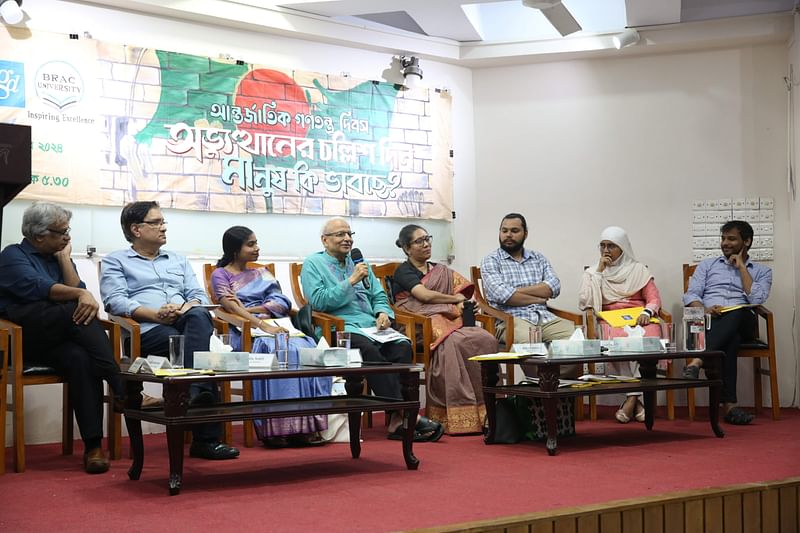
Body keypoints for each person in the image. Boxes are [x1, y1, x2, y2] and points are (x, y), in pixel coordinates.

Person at [100, 201, 239, 460]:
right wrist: (156, 314)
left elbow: (197, 294)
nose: (164, 228)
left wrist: (184, 307)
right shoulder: (116, 261)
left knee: (198, 315)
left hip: (185, 322)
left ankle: (192, 391)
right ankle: (205, 435)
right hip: (147, 331)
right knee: (202, 359)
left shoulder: (178, 259)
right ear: (136, 229)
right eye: (157, 222)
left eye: (164, 222)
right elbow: (115, 300)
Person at [0, 202, 124, 474]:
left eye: (69, 230)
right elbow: (42, 288)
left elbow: (76, 290)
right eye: (62, 231)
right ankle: (121, 386)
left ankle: (93, 447)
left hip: (59, 338)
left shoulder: (57, 256)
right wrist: (79, 295)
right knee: (72, 308)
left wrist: (65, 259)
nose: (68, 237)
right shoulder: (13, 255)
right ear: (39, 235)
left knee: (81, 358)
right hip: (23, 340)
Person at [301, 217, 443, 442]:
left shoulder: (358, 260)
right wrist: (351, 280)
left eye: (349, 234)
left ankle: (397, 419)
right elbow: (318, 302)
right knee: (369, 351)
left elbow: (378, 295)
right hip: (340, 327)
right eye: (340, 234)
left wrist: (382, 313)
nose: (347, 239)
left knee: (402, 346)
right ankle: (406, 413)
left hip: (370, 325)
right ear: (325, 240)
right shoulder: (312, 264)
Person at [210, 226, 330, 447]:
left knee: (307, 347)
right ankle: (277, 430)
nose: (257, 248)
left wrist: (258, 311)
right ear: (235, 250)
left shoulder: (261, 272)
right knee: (278, 348)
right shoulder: (220, 274)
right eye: (251, 244)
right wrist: (261, 322)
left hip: (274, 322)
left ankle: (304, 427)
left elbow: (282, 301)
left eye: (256, 243)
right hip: (244, 331)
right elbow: (229, 305)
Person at [392, 224, 498, 434]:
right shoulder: (403, 271)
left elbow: (466, 293)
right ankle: (454, 413)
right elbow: (424, 297)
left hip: (448, 321)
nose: (426, 243)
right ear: (406, 248)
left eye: (427, 238)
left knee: (485, 339)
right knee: (453, 343)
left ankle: (487, 410)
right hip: (419, 325)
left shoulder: (440, 270)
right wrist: (454, 301)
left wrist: (470, 303)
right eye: (419, 241)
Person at [682, 220, 773, 425]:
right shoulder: (707, 265)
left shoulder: (762, 271)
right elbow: (691, 295)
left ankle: (697, 360)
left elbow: (756, 299)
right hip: (712, 319)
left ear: (746, 241)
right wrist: (705, 309)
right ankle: (730, 406)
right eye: (723, 238)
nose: (725, 243)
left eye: (731, 238)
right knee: (730, 340)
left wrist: (741, 267)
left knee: (738, 311)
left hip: (743, 320)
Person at [578, 226, 663, 424]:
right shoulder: (593, 273)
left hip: (639, 317)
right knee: (618, 342)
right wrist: (598, 272)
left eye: (611, 246)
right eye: (602, 246)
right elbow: (586, 303)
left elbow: (654, 298)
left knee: (650, 338)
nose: (606, 251)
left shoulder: (639, 270)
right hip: (610, 318)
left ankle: (631, 400)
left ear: (623, 249)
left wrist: (647, 312)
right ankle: (636, 400)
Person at [480, 213, 577, 376]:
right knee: (530, 343)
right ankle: (536, 394)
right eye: (504, 231)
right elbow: (503, 295)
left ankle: (553, 386)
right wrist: (538, 296)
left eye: (514, 230)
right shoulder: (491, 260)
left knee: (578, 341)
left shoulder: (538, 258)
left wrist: (516, 291)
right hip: (510, 321)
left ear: (525, 234)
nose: (508, 235)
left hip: (544, 318)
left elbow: (554, 287)